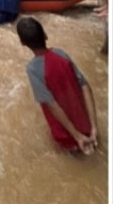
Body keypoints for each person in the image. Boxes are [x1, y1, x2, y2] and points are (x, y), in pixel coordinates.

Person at [17, 17, 98, 155]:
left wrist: (77, 137)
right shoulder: (61, 54)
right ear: (45, 35)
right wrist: (94, 128)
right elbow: (85, 86)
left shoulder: (33, 70)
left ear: (22, 43)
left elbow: (52, 105)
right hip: (88, 128)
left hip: (68, 137)